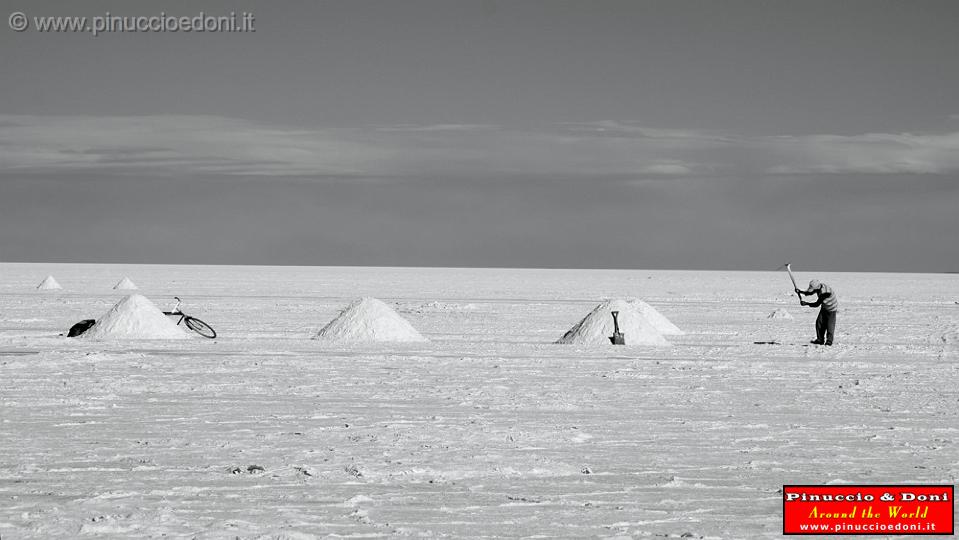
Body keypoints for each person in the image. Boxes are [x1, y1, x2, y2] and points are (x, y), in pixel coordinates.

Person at [796, 279, 839, 345]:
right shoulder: (819, 286)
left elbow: (816, 304)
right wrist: (800, 292)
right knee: (819, 323)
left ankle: (829, 341)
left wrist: (806, 303)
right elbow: (811, 292)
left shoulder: (825, 292)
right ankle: (820, 340)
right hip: (824, 307)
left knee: (830, 325)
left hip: (831, 309)